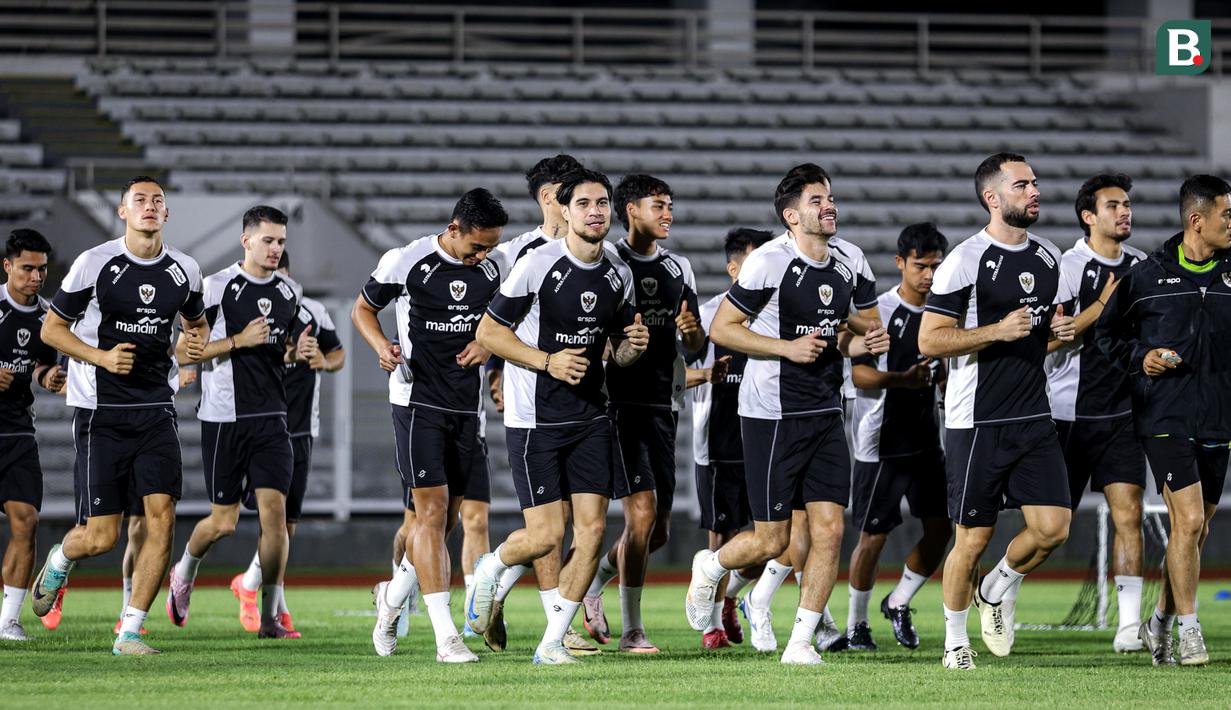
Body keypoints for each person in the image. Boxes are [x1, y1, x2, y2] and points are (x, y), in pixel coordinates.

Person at [683, 163, 887, 665]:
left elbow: (862, 325)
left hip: (826, 409)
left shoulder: (850, 259)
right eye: (817, 200)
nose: (828, 206)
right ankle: (710, 566)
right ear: (791, 216)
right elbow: (725, 329)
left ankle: (800, 642)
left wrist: (865, 339)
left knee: (831, 529)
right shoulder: (768, 262)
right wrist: (783, 348)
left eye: (830, 197)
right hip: (771, 413)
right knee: (772, 540)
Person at [467, 169, 649, 665]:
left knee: (591, 532)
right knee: (548, 535)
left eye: (603, 202)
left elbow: (615, 353)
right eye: (585, 203)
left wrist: (631, 348)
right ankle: (491, 567)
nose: (596, 211)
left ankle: (552, 642)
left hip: (591, 415)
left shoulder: (618, 271)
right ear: (563, 211)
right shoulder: (536, 265)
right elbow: (488, 334)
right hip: (535, 419)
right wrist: (548, 360)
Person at [32, 176, 208, 655]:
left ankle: (130, 630)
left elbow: (197, 324)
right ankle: (60, 558)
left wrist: (192, 344)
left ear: (167, 214)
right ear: (122, 212)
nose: (150, 207)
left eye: (158, 201)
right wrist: (100, 357)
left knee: (162, 519)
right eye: (140, 201)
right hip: (100, 411)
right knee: (101, 537)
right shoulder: (95, 264)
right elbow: (52, 329)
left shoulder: (185, 270)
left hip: (156, 409)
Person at [918, 153, 1076, 670]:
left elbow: (1036, 335)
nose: (1034, 190)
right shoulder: (963, 260)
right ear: (993, 198)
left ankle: (996, 586)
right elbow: (931, 340)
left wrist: (1055, 333)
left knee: (1054, 528)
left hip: (1033, 415)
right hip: (975, 420)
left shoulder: (1050, 257)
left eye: (1034, 182)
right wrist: (995, 331)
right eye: (1022, 184)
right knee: (972, 538)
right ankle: (954, 643)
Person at [357, 189, 508, 663]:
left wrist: (490, 348)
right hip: (416, 401)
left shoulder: (496, 264)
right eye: (475, 247)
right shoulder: (406, 260)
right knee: (432, 513)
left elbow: (508, 321)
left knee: (441, 524)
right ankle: (446, 637)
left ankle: (391, 600)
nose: (482, 256)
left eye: (489, 248)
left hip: (467, 407)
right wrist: (382, 345)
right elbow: (362, 309)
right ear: (453, 229)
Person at [1095, 174, 1231, 667]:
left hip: (1219, 419)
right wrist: (1143, 357)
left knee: (1194, 532)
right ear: (1198, 220)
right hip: (1165, 417)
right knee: (1189, 520)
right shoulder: (1145, 275)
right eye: (1227, 215)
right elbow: (1106, 338)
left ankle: (1158, 623)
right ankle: (1191, 631)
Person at [167, 205, 314, 640]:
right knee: (223, 523)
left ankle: (269, 617)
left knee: (275, 516)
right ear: (245, 241)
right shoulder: (215, 288)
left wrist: (295, 353)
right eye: (268, 240)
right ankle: (185, 570)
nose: (275, 249)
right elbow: (182, 353)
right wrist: (236, 341)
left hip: (272, 419)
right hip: (224, 418)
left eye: (281, 242)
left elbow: (278, 350)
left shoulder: (289, 293)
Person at [582, 174, 703, 654]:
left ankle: (594, 582)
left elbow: (693, 347)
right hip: (619, 406)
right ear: (631, 210)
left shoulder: (679, 268)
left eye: (670, 205)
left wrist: (692, 332)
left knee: (656, 532)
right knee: (642, 516)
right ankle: (633, 630)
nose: (668, 213)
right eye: (658, 205)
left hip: (663, 405)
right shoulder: (609, 262)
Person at [1043, 174, 1147, 653]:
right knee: (1048, 530)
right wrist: (1104, 303)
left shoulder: (1144, 266)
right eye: (1113, 205)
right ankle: (1000, 591)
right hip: (1067, 414)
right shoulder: (1066, 266)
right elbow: (1055, 336)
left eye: (1126, 204)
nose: (1124, 212)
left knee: (1128, 515)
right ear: (1089, 216)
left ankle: (1128, 627)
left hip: (1123, 414)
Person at [845, 223, 952, 651]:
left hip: (927, 442)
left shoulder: (944, 314)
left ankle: (900, 600)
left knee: (942, 531)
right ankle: (857, 625)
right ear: (900, 264)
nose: (929, 275)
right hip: (880, 444)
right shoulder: (880, 312)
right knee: (873, 537)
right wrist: (903, 380)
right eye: (920, 266)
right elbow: (859, 372)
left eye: (936, 267)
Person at [230, 250, 345, 633]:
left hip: (299, 431)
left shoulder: (311, 311)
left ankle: (262, 596)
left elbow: (338, 353)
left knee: (285, 525)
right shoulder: (243, 310)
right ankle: (256, 594)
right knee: (251, 520)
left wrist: (322, 362)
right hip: (255, 424)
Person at [686, 227, 774, 649]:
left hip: (768, 437)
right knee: (721, 538)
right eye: (756, 261)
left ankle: (731, 597)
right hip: (719, 442)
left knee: (769, 539)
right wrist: (695, 354)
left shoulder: (777, 315)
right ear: (734, 268)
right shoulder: (706, 316)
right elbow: (679, 369)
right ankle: (711, 623)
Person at [0, 229, 63, 641]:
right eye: (27, 268)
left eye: (41, 270)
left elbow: (40, 366)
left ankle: (8, 619)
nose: (36, 277)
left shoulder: (47, 319)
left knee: (27, 521)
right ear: (7, 266)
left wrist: (49, 376)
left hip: (18, 432)